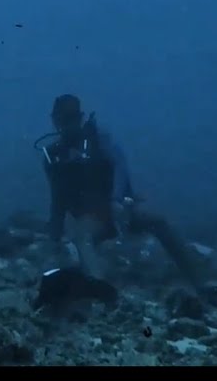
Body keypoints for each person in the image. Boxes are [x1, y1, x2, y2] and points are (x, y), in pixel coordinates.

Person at [35, 93, 207, 289]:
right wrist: (54, 234)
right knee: (82, 238)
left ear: (81, 118)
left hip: (117, 208)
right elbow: (57, 198)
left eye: (73, 118)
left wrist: (117, 200)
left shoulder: (99, 139)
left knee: (159, 221)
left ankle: (200, 281)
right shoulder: (52, 158)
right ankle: (99, 289)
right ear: (55, 121)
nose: (68, 124)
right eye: (64, 119)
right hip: (90, 217)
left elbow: (120, 166)